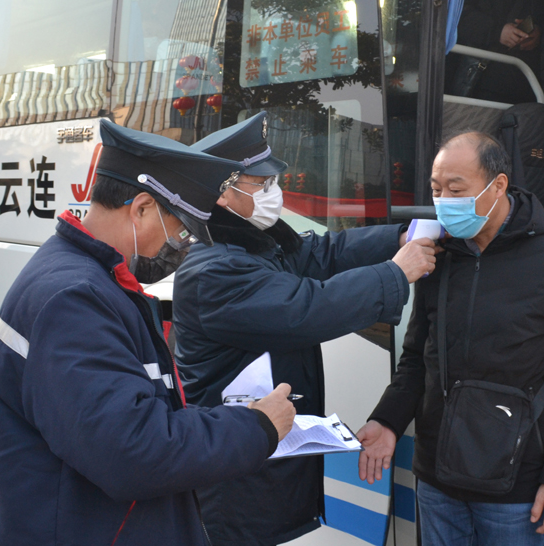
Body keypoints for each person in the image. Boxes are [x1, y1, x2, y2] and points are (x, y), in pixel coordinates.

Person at [0, 119, 296, 546]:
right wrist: (256, 428)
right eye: (181, 230)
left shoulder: (85, 279)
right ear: (143, 208)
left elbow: (133, 413)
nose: (181, 247)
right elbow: (132, 452)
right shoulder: (73, 301)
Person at [171, 112, 439, 545]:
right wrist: (395, 274)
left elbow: (321, 253)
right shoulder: (215, 270)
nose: (274, 192)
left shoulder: (250, 242)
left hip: (261, 460)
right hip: (238, 475)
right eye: (262, 184)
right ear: (223, 194)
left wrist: (397, 239)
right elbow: (308, 308)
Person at [357, 132, 544, 546]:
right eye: (437, 190)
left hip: (514, 488)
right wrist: (387, 421)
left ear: (498, 186)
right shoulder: (438, 256)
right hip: (437, 478)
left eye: (456, 190)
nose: (444, 201)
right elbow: (417, 357)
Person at [450, 0, 544, 104]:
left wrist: (539, 33)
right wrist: (497, 32)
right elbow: (453, 14)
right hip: (482, 79)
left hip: (531, 84)